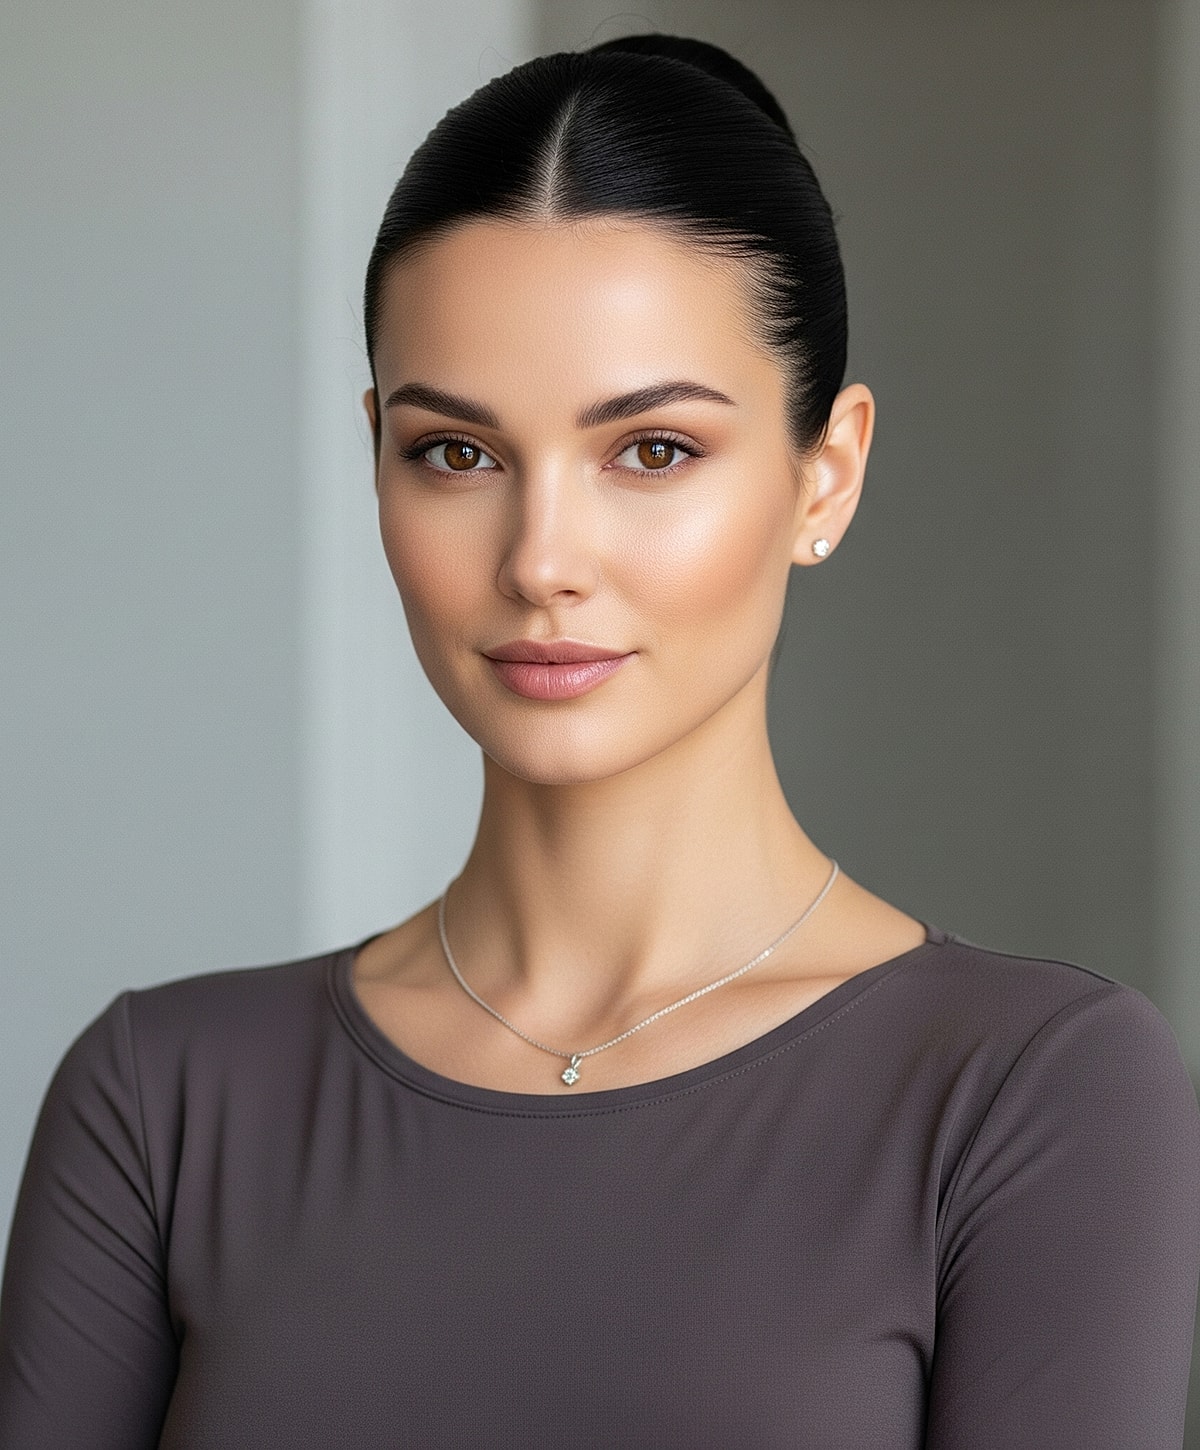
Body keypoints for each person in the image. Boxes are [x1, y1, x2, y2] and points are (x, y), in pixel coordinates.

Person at [2, 32, 1198, 1450]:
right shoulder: (162, 1100)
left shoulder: (1028, 1090)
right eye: (457, 453)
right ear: (376, 457)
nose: (541, 560)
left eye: (652, 450)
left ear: (827, 474)